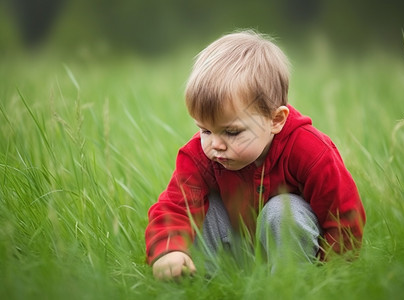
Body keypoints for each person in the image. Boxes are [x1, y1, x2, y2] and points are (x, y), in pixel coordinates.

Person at [145, 30, 366, 280]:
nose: (214, 144)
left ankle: (288, 286)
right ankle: (207, 286)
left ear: (275, 120)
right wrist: (168, 250)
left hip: (290, 254)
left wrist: (334, 276)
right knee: (203, 212)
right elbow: (175, 205)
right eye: (205, 129)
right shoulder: (200, 155)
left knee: (284, 210)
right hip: (234, 250)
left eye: (231, 132)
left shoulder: (309, 150)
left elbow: (342, 213)